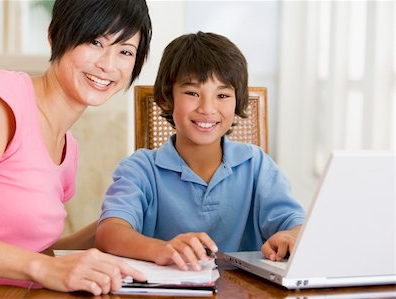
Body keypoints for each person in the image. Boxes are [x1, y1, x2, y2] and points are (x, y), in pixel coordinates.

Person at [0, 0, 152, 297]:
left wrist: (117, 222)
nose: (108, 65)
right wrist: (44, 269)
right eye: (95, 41)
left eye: (125, 51)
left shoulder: (68, 148)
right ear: (56, 36)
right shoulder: (1, 102)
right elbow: (38, 265)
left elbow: (30, 254)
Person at [95, 31, 306, 272]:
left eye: (223, 95)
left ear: (238, 103)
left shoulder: (256, 164)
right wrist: (161, 249)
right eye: (193, 93)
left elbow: (296, 225)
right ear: (166, 98)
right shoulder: (140, 169)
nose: (207, 108)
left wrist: (291, 237)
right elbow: (109, 233)